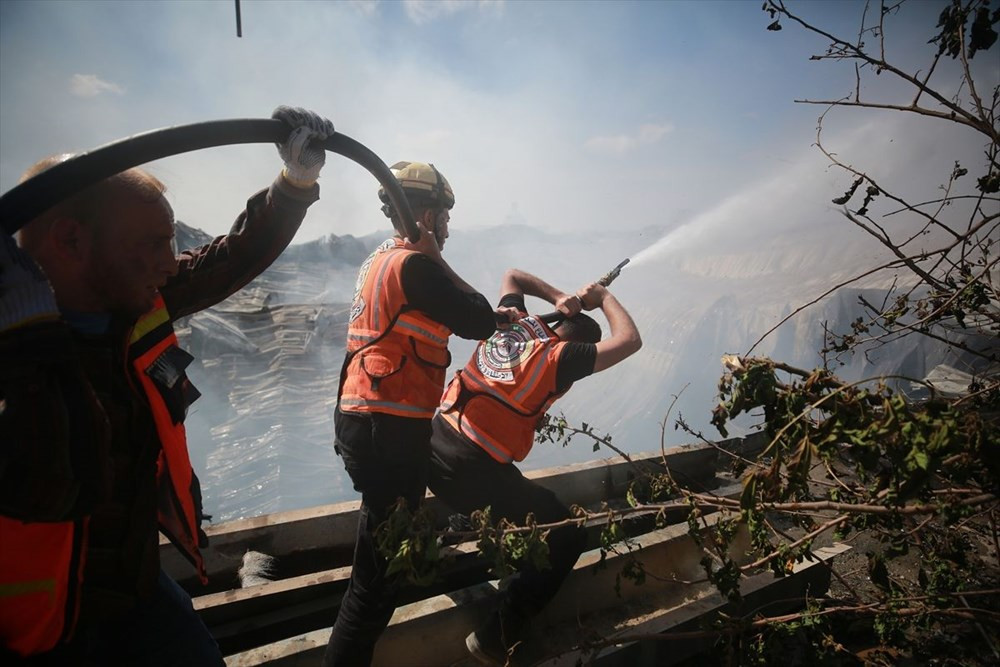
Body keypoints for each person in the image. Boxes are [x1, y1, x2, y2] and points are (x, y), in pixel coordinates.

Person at [0, 106, 335, 665]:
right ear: (71, 241)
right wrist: (34, 349)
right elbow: (57, 481)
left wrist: (294, 186)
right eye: (154, 245)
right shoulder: (14, 357)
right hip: (36, 634)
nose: (170, 263)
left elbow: (229, 260)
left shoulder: (132, 303)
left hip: (132, 588)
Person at [323, 161, 496, 666]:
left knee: (382, 540)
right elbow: (479, 318)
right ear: (426, 214)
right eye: (444, 216)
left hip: (365, 423)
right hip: (389, 431)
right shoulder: (417, 265)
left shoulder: (380, 259)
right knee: (372, 590)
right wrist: (436, 256)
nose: (447, 227)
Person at [427, 268, 642, 666]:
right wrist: (602, 297)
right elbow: (630, 340)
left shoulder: (515, 322)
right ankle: (498, 635)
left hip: (431, 448)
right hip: (467, 472)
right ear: (575, 344)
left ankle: (452, 529)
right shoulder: (560, 358)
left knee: (504, 483)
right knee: (567, 534)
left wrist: (561, 297)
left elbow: (512, 275)